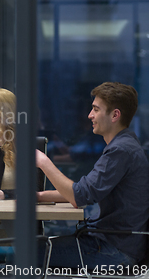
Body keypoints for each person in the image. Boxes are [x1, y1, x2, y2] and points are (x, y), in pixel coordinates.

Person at [36, 82, 149, 268]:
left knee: (25, 252)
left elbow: (79, 196)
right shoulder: (125, 145)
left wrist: (43, 162)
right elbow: (84, 191)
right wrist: (40, 196)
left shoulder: (120, 150)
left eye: (96, 109)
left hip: (113, 250)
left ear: (115, 115)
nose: (90, 115)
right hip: (114, 245)